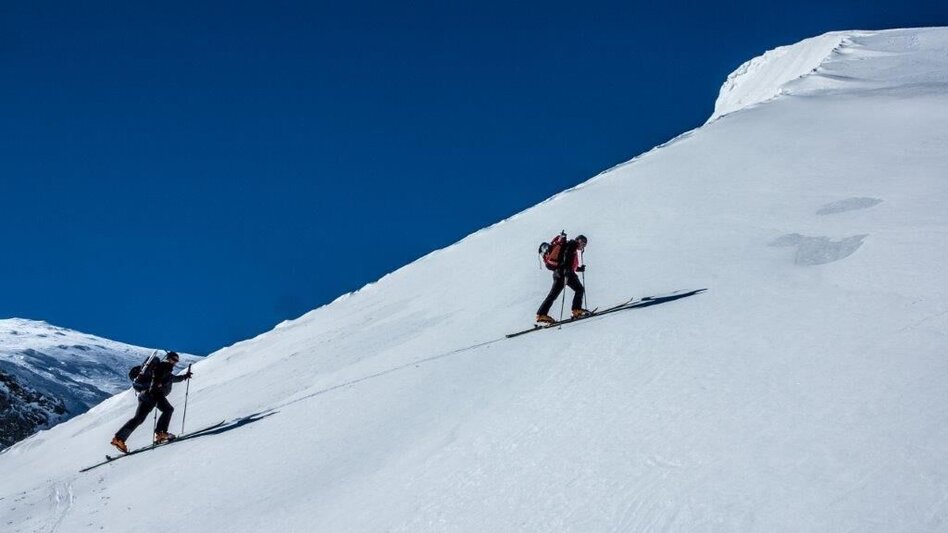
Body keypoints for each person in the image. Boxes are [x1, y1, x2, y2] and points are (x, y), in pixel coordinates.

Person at [111, 351, 193, 452]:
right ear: (169, 358)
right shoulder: (165, 366)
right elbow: (158, 378)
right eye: (174, 359)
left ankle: (119, 439)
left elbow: (173, 378)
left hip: (143, 394)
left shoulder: (163, 370)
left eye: (176, 360)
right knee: (168, 409)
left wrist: (185, 376)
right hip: (154, 394)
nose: (175, 362)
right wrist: (156, 387)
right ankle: (161, 433)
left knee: (138, 419)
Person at [536, 234, 590, 324]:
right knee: (579, 289)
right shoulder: (573, 244)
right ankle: (577, 310)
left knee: (552, 295)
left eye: (585, 244)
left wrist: (579, 269)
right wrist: (567, 270)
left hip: (558, 273)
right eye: (583, 242)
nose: (584, 245)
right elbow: (567, 257)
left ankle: (541, 314)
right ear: (578, 240)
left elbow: (566, 260)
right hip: (565, 273)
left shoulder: (570, 246)